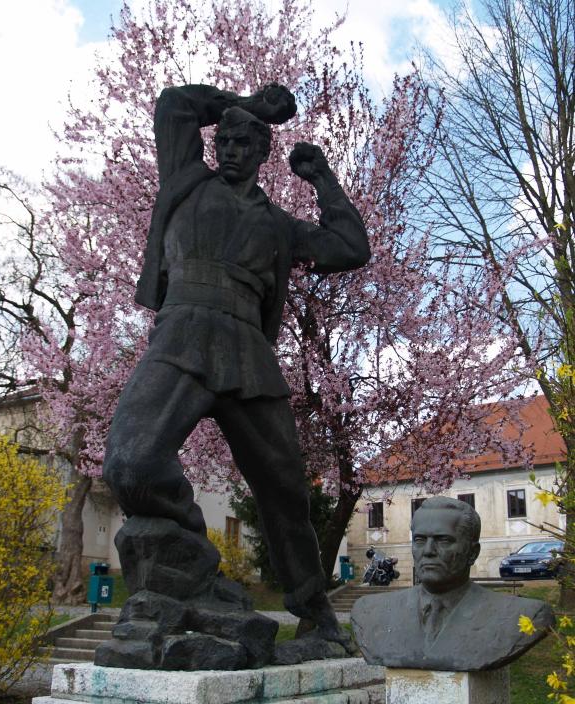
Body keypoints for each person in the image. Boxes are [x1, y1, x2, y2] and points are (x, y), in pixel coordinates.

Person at [102, 83, 371, 653]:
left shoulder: (279, 225)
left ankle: (315, 610)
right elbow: (174, 104)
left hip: (248, 350)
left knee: (285, 490)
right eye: (222, 137)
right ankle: (195, 561)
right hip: (181, 335)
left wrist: (321, 177)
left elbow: (350, 246)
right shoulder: (187, 178)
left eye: (243, 140)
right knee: (129, 463)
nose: (228, 147)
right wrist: (247, 99)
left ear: (262, 152)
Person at [352, 497, 555, 671]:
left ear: (473, 553)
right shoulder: (369, 612)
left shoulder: (522, 616)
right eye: (420, 540)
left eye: (444, 540)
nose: (429, 551)